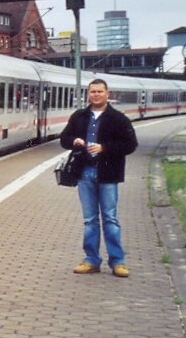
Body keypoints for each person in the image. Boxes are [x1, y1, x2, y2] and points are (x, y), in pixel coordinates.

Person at [59, 78, 138, 277]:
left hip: (108, 174)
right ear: (88, 94)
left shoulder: (118, 118)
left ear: (107, 94)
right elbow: (63, 139)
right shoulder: (79, 116)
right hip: (84, 173)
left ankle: (118, 262)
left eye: (100, 91)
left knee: (110, 218)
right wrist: (73, 140)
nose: (96, 95)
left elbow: (130, 144)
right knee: (90, 220)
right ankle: (91, 260)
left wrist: (105, 148)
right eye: (92, 91)